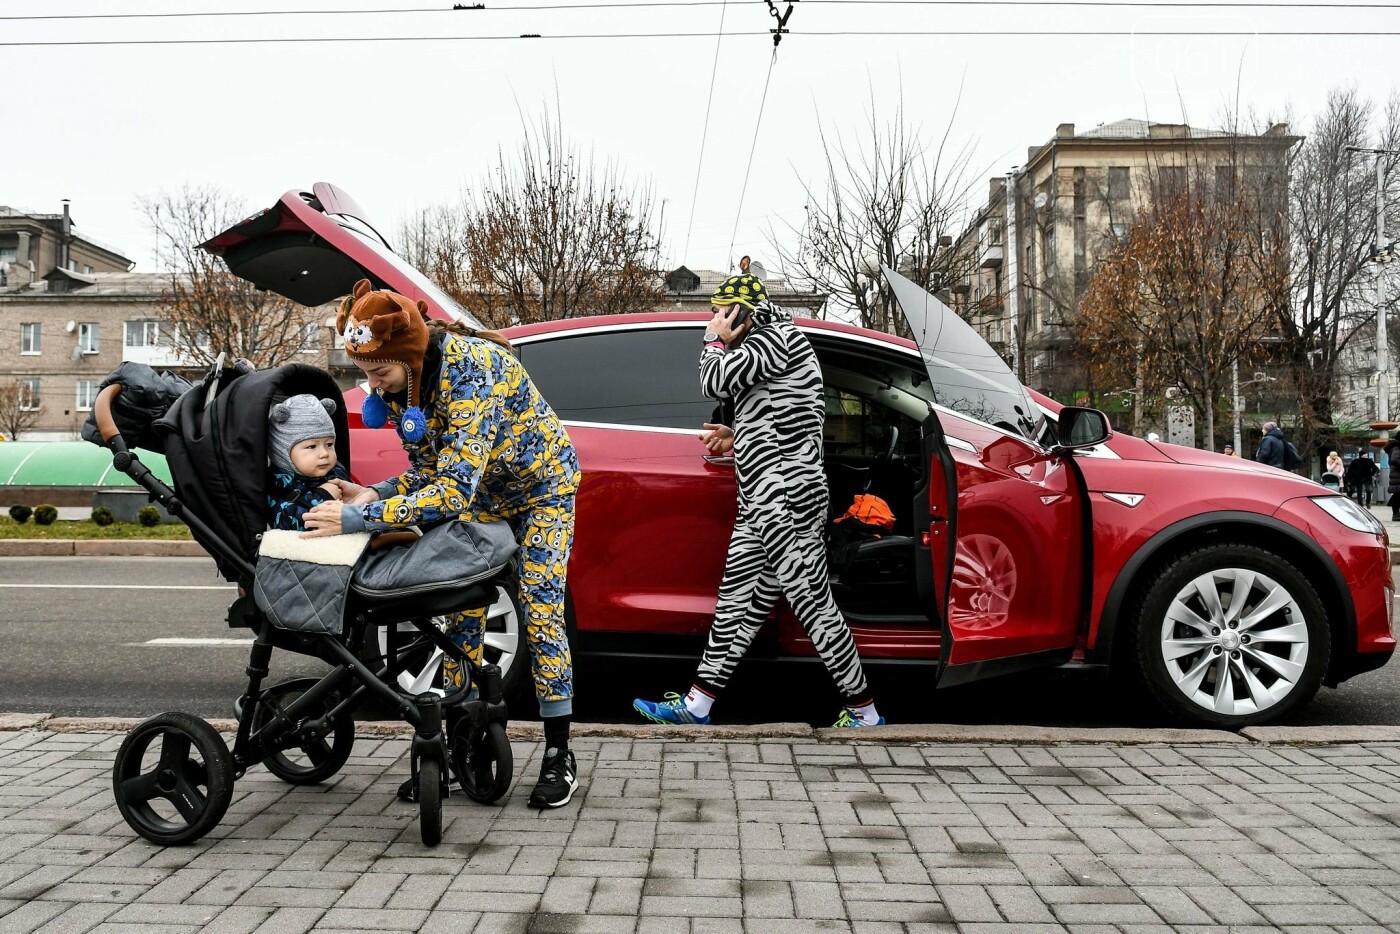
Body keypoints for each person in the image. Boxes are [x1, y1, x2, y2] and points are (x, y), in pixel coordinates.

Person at [302, 279, 582, 809]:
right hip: (481, 494)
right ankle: (458, 748)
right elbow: (427, 472)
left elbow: (451, 492)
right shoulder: (410, 384)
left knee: (542, 611)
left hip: (540, 491)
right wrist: (373, 492)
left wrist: (359, 518)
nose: (372, 385)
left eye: (378, 372)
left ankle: (557, 755)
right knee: (463, 617)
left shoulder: (471, 372)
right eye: (364, 373)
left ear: (407, 355)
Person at [632, 274, 884, 729]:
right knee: (736, 604)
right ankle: (696, 706)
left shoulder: (775, 339)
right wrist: (737, 435)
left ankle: (866, 713)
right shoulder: (767, 345)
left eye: (719, 311)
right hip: (764, 497)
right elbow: (780, 415)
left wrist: (714, 342)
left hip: (786, 496)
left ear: (741, 313)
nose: (712, 319)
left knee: (811, 601)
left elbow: (714, 382)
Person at [265, 394, 348, 531]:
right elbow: (285, 523)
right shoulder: (277, 483)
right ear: (283, 452)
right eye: (312, 447)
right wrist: (323, 496)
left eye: (329, 444)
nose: (324, 453)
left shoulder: (337, 471)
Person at [1384, 438, 1400, 521]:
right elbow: (1395, 460)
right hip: (1397, 475)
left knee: (1397, 495)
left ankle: (1396, 514)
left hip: (1396, 475)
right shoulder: (1397, 448)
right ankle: (1396, 514)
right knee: (1397, 495)